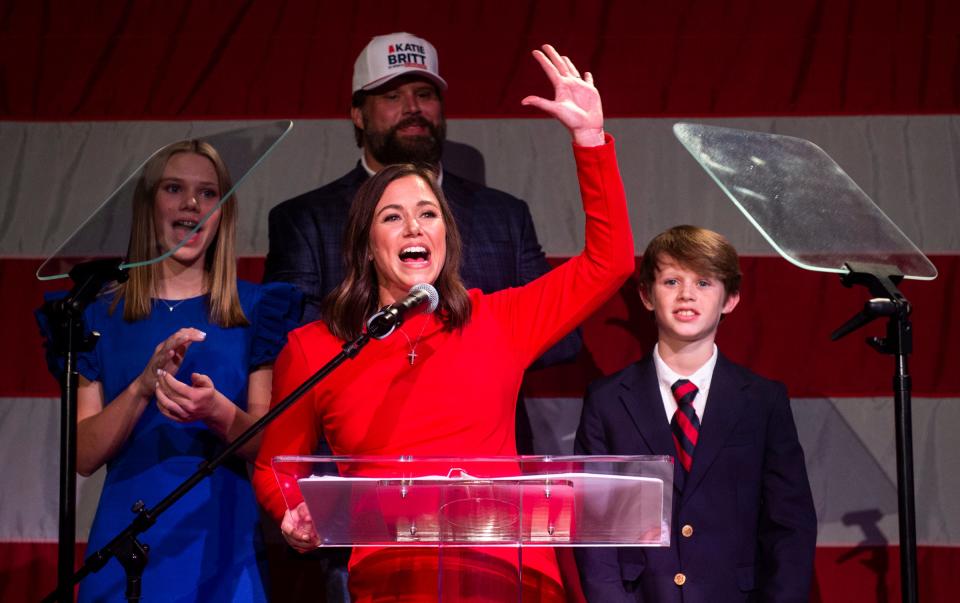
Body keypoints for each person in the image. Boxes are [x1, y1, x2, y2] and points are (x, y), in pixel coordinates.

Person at [252, 44, 634, 602]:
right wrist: (296, 513)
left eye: (428, 214)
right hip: (391, 582)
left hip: (508, 578)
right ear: (365, 245)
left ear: (446, 238)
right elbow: (274, 466)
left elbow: (611, 262)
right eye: (392, 216)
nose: (414, 227)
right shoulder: (317, 349)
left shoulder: (499, 320)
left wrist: (590, 141)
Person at [262, 33, 580, 450]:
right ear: (358, 114)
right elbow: (294, 347)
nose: (413, 108)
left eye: (424, 93)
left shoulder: (503, 214)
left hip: (485, 471)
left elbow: (563, 340)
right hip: (362, 461)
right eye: (392, 95)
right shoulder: (305, 218)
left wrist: (477, 353)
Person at [37, 140, 302, 602]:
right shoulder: (96, 315)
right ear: (147, 205)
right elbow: (81, 456)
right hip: (124, 546)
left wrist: (218, 412)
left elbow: (270, 447)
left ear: (223, 211)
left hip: (220, 544)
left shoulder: (256, 311)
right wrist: (142, 386)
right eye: (174, 188)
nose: (191, 204)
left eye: (207, 193)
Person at [574, 225, 817, 602]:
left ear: (731, 298)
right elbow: (595, 526)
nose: (687, 294)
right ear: (646, 295)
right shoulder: (607, 401)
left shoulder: (762, 401)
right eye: (671, 281)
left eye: (704, 282)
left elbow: (790, 525)